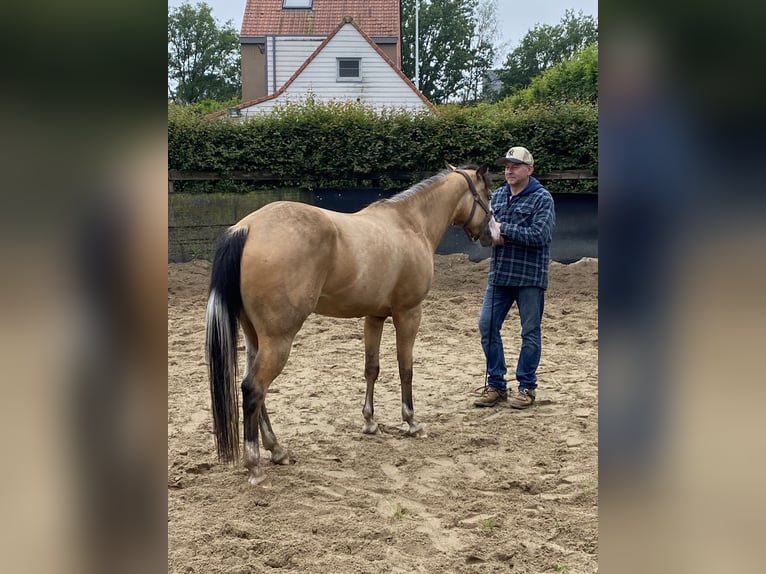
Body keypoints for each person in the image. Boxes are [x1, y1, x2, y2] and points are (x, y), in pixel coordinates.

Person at [474, 146, 555, 409]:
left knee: (530, 332)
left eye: (515, 165)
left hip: (530, 277)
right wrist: (490, 237)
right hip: (500, 276)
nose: (508, 170)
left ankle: (527, 387)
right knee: (486, 326)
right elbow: (488, 233)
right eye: (507, 166)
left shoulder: (542, 199)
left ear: (529, 170)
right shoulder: (496, 196)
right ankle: (497, 384)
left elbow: (540, 235)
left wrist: (504, 229)